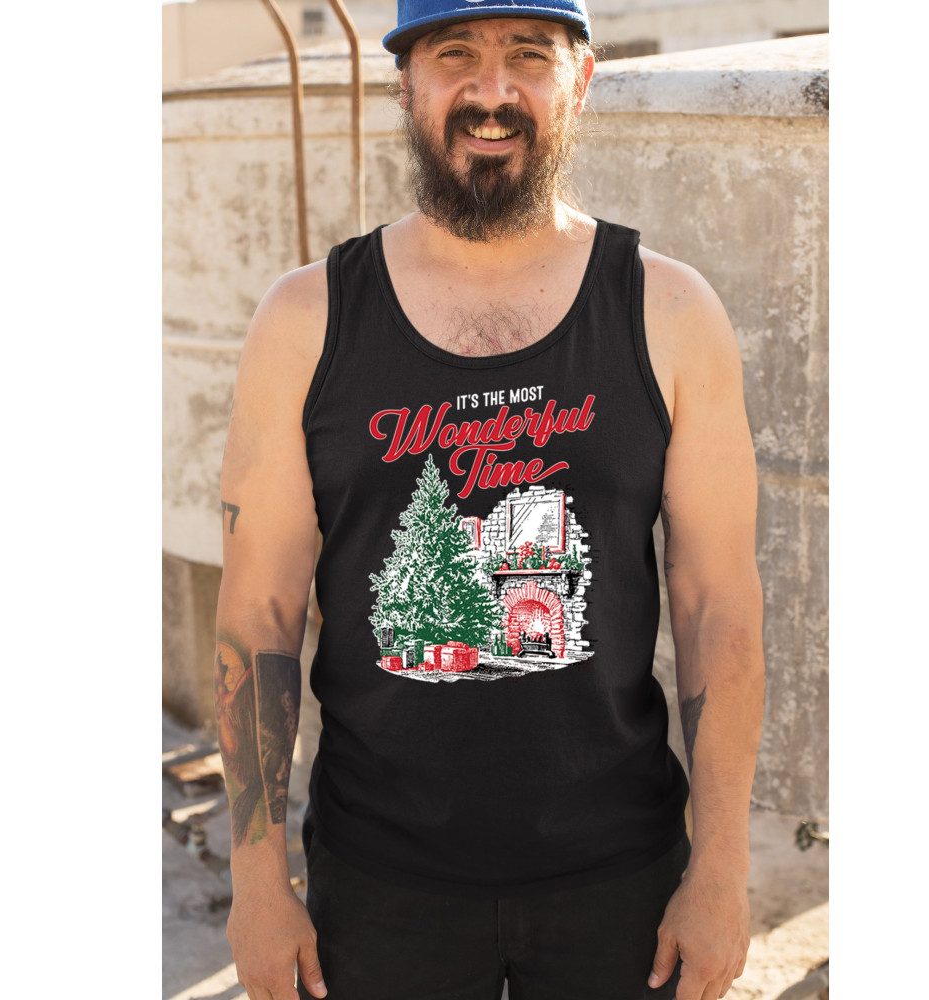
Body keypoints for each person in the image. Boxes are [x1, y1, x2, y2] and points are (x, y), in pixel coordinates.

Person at [214, 0, 765, 997]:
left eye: (528, 55)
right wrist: (257, 883)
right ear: (407, 83)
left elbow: (717, 604)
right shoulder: (305, 321)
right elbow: (259, 612)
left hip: (622, 883)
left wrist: (721, 869)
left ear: (581, 79)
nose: (492, 91)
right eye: (455, 53)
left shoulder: (670, 310)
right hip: (378, 887)